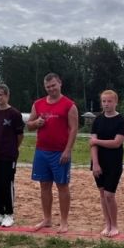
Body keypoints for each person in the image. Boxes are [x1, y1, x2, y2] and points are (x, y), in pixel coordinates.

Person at [27, 73, 79, 233]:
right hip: (42, 151)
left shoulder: (69, 105)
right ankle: (47, 219)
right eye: (48, 87)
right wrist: (36, 123)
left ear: (60, 84)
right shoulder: (38, 104)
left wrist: (68, 150)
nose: (51, 89)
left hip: (60, 152)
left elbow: (74, 129)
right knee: (44, 186)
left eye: (53, 85)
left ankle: (64, 222)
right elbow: (29, 125)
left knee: (62, 186)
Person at [89, 90, 124, 238]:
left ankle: (115, 225)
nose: (106, 104)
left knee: (109, 195)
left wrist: (97, 141)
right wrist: (96, 163)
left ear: (116, 102)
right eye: (104, 101)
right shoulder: (97, 120)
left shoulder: (121, 121)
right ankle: (107, 224)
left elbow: (117, 143)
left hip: (114, 162)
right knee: (102, 194)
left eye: (109, 101)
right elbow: (92, 145)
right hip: (99, 162)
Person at [0, 84, 25, 228]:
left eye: (0, 95)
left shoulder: (14, 114)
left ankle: (9, 214)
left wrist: (13, 149)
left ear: (7, 95)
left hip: (8, 156)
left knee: (7, 184)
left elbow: (20, 136)